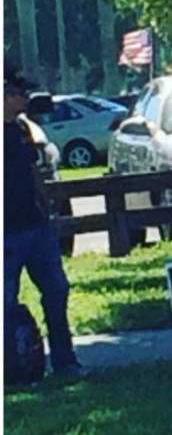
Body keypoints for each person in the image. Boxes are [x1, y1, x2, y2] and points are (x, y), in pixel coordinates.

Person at [4, 72, 85, 381]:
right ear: (5, 96)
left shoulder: (23, 129)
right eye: (19, 95)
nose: (25, 100)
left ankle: (65, 361)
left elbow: (33, 169)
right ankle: (12, 367)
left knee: (56, 290)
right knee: (5, 303)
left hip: (36, 226)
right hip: (6, 231)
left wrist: (45, 205)